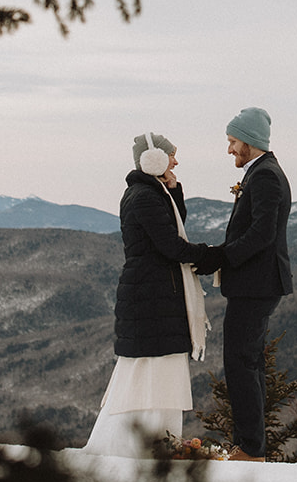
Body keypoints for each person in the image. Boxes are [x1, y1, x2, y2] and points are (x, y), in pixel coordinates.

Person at [81, 132, 216, 458]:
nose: (176, 161)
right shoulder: (143, 196)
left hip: (154, 295)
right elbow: (171, 245)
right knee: (153, 371)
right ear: (153, 159)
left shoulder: (150, 193)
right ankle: (143, 444)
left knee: (153, 370)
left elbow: (172, 226)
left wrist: (174, 189)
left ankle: (151, 441)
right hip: (153, 296)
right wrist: (212, 256)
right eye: (172, 155)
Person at [214, 106, 293, 462]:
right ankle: (250, 445)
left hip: (256, 285)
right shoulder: (260, 173)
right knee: (249, 363)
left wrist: (223, 257)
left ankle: (250, 449)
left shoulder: (265, 176)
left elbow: (262, 232)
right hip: (257, 284)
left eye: (232, 141)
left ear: (248, 141)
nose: (229, 149)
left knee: (240, 363)